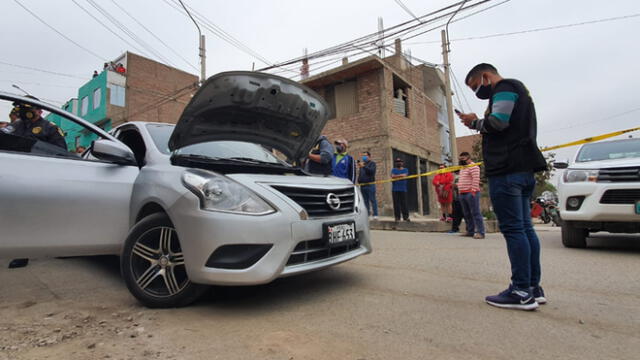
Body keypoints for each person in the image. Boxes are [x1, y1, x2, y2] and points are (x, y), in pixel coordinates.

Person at [459, 63, 547, 311]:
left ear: (486, 76)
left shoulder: (505, 87)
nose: (478, 92)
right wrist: (477, 122)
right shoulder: (519, 90)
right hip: (522, 169)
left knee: (515, 230)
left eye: (476, 86)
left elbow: (498, 123)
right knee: (525, 229)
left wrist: (476, 123)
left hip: (508, 170)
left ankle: (520, 291)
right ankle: (532, 287)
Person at [457, 152, 485, 239]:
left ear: (468, 158)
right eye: (460, 159)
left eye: (462, 159)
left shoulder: (474, 167)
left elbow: (476, 179)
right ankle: (470, 231)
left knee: (475, 212)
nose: (461, 161)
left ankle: (480, 232)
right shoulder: (462, 168)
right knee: (466, 213)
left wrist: (473, 191)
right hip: (462, 193)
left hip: (471, 192)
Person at [358, 151, 378, 219]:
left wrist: (364, 166)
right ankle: (367, 214)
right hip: (363, 185)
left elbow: (371, 172)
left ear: (369, 156)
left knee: (373, 200)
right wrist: (359, 181)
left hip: (370, 185)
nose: (364, 157)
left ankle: (375, 215)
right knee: (365, 201)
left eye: (365, 155)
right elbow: (360, 174)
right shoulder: (362, 165)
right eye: (363, 155)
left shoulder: (372, 164)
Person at [390, 158, 410, 222]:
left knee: (404, 204)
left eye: (400, 162)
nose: (398, 163)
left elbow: (405, 175)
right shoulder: (393, 169)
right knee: (396, 204)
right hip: (395, 189)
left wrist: (397, 176)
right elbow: (392, 176)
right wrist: (401, 175)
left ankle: (406, 217)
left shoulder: (405, 169)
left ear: (402, 163)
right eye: (397, 162)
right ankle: (397, 217)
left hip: (403, 189)